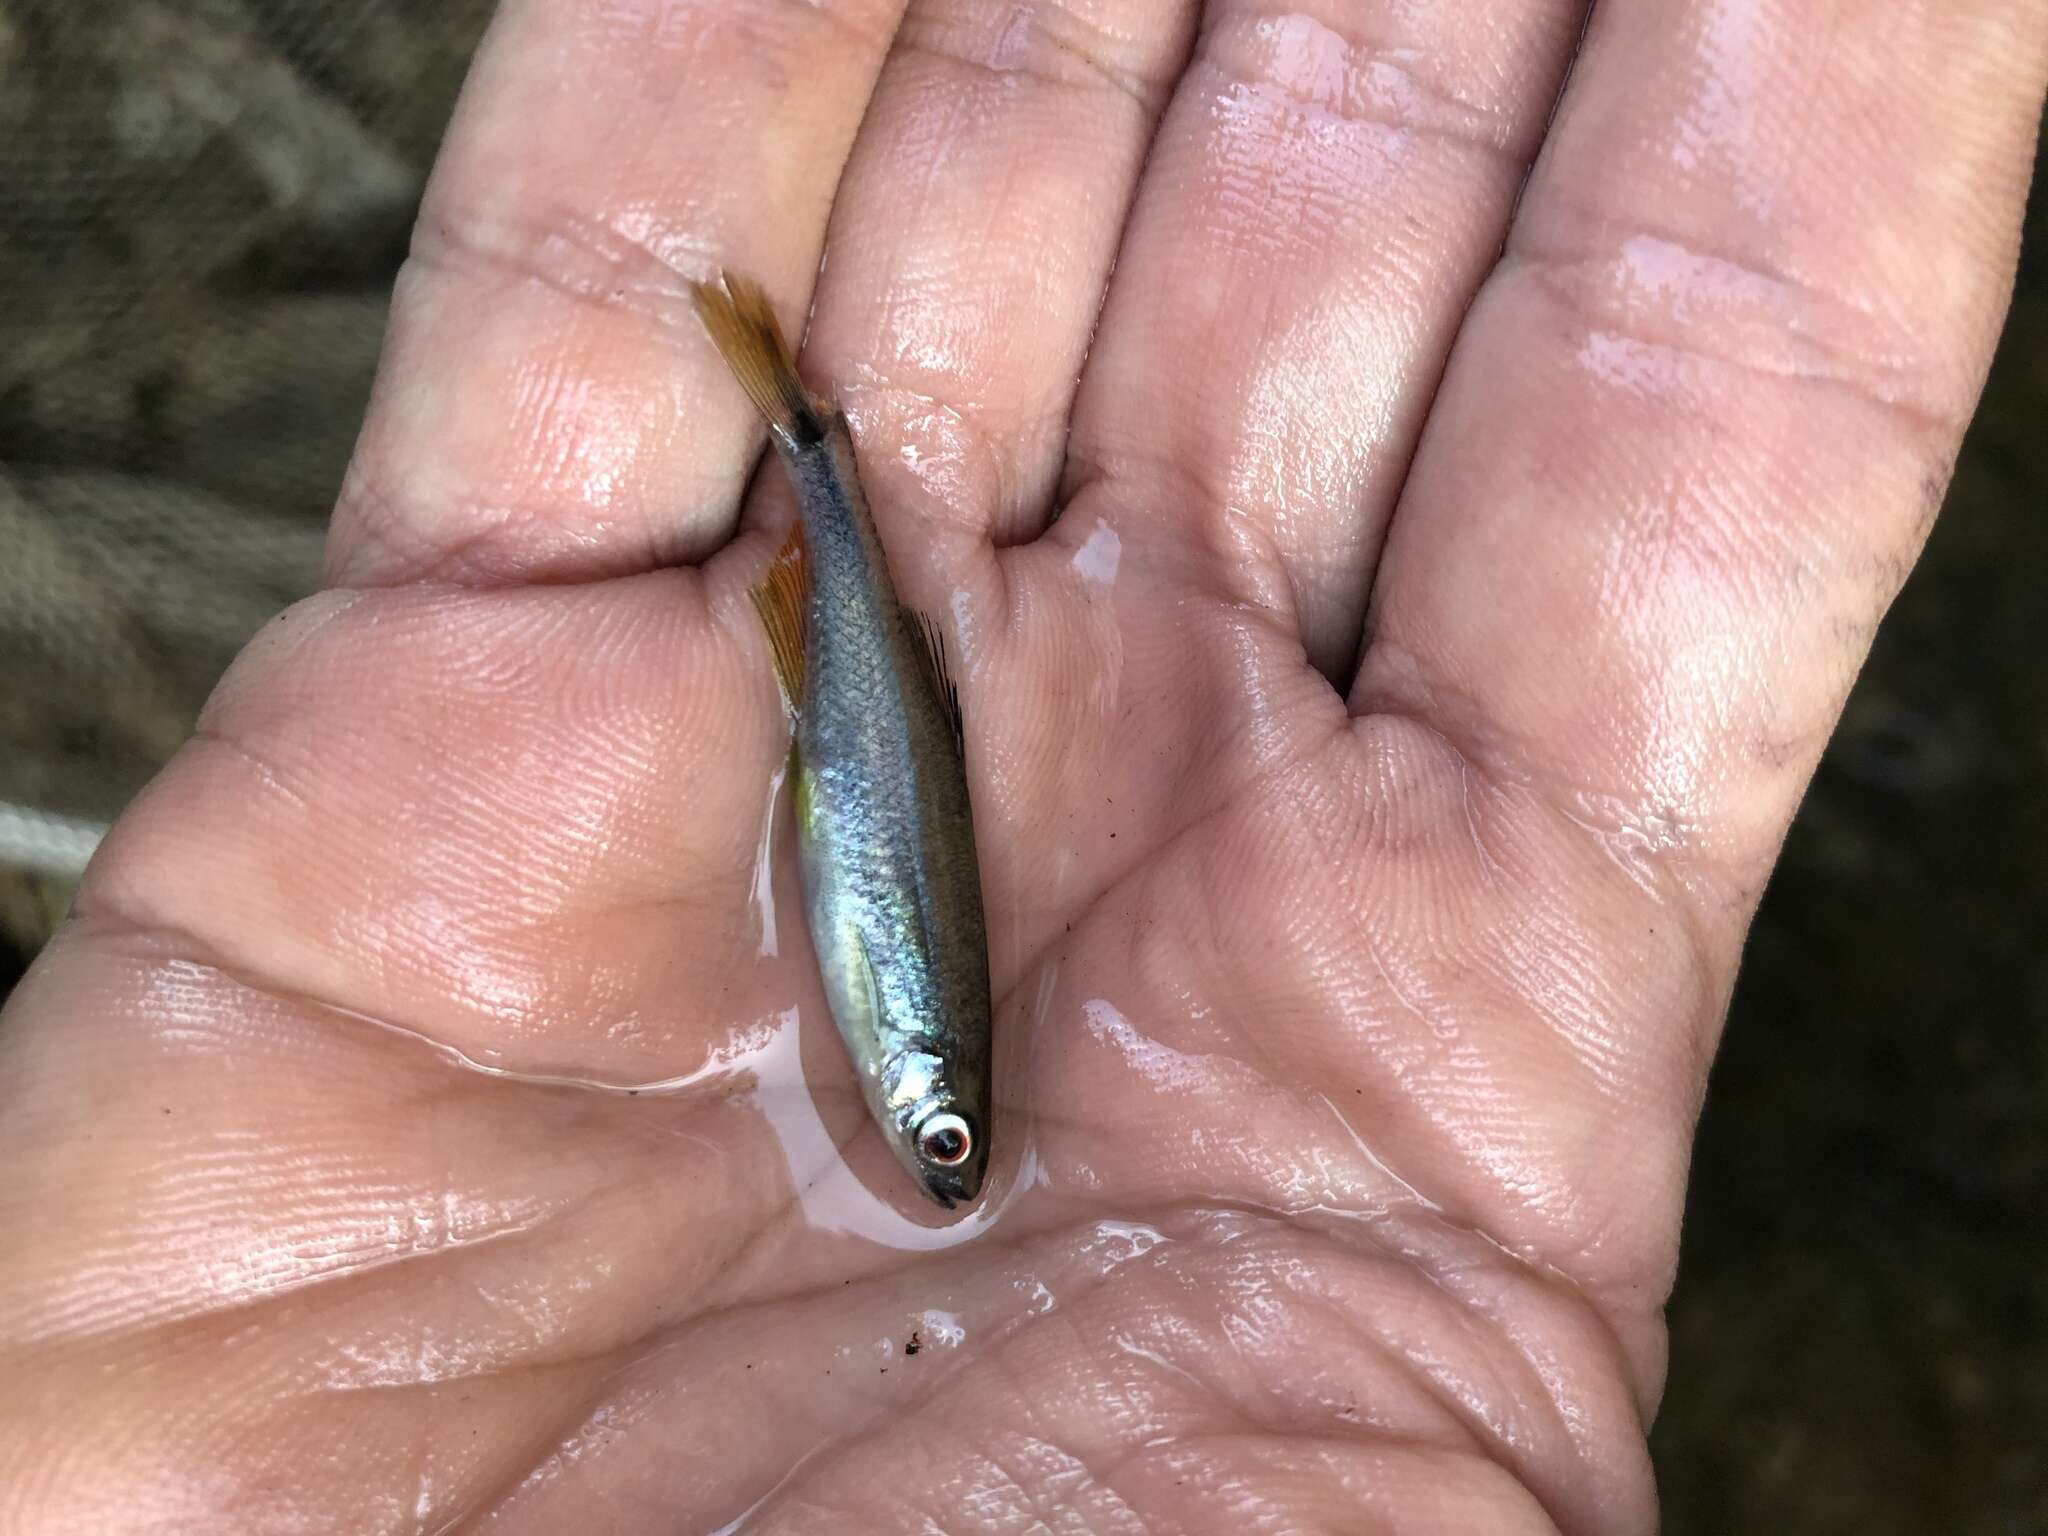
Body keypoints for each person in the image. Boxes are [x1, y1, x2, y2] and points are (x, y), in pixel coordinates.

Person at [1, 1, 2040, 1529]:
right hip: (851, 652)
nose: (929, 1149)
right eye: (941, 1144)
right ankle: (798, 434)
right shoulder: (926, 1053)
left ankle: (803, 438)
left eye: (940, 1151)